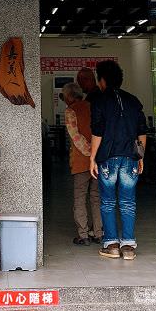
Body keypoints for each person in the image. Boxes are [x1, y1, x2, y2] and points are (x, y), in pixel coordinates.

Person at [90, 59, 147, 261]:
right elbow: (142, 132)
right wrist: (140, 157)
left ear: (103, 80)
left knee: (107, 202)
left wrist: (92, 158)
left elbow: (97, 132)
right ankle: (129, 247)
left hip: (108, 157)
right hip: (130, 158)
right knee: (128, 202)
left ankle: (112, 245)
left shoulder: (99, 100)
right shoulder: (133, 101)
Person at [61, 82, 102, 245]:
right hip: (99, 160)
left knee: (79, 198)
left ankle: (83, 235)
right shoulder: (93, 107)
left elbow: (75, 136)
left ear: (69, 96)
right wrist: (96, 154)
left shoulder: (70, 111)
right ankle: (98, 233)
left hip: (81, 162)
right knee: (96, 197)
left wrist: (89, 154)